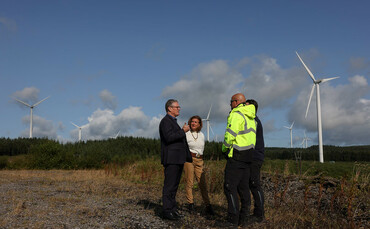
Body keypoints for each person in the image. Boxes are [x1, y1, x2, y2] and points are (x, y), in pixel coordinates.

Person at [222, 93, 257, 227]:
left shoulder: (237, 114)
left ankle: (232, 221)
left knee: (229, 187)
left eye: (231, 102)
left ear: (236, 102)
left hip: (236, 156)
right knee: (244, 189)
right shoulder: (251, 117)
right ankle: (244, 220)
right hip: (248, 157)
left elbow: (230, 135)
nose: (230, 105)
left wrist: (224, 149)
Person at [159, 99, 192, 220]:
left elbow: (174, 136)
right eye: (177, 107)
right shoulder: (165, 121)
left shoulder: (172, 121)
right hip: (171, 159)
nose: (179, 109)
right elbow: (169, 137)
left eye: (179, 107)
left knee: (174, 186)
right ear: (170, 108)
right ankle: (167, 211)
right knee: (169, 186)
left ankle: (173, 209)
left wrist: (181, 130)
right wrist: (183, 131)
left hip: (178, 159)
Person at [184, 115, 215, 215]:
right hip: (189, 159)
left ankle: (208, 205)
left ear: (200, 124)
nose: (193, 123)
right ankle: (191, 205)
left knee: (202, 183)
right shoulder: (186, 134)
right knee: (190, 183)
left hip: (200, 160)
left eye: (196, 122)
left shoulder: (202, 135)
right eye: (192, 121)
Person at [246, 99, 265, 223]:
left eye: (246, 106)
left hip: (254, 158)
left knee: (254, 184)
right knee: (250, 185)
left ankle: (259, 214)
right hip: (251, 157)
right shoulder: (253, 120)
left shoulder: (254, 121)